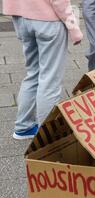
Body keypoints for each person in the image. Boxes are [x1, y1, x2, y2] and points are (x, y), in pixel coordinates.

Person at [2, 0, 83, 140]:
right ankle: (48, 134)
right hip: (48, 19)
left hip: (20, 17)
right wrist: (74, 28)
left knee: (33, 73)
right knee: (50, 79)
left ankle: (23, 126)